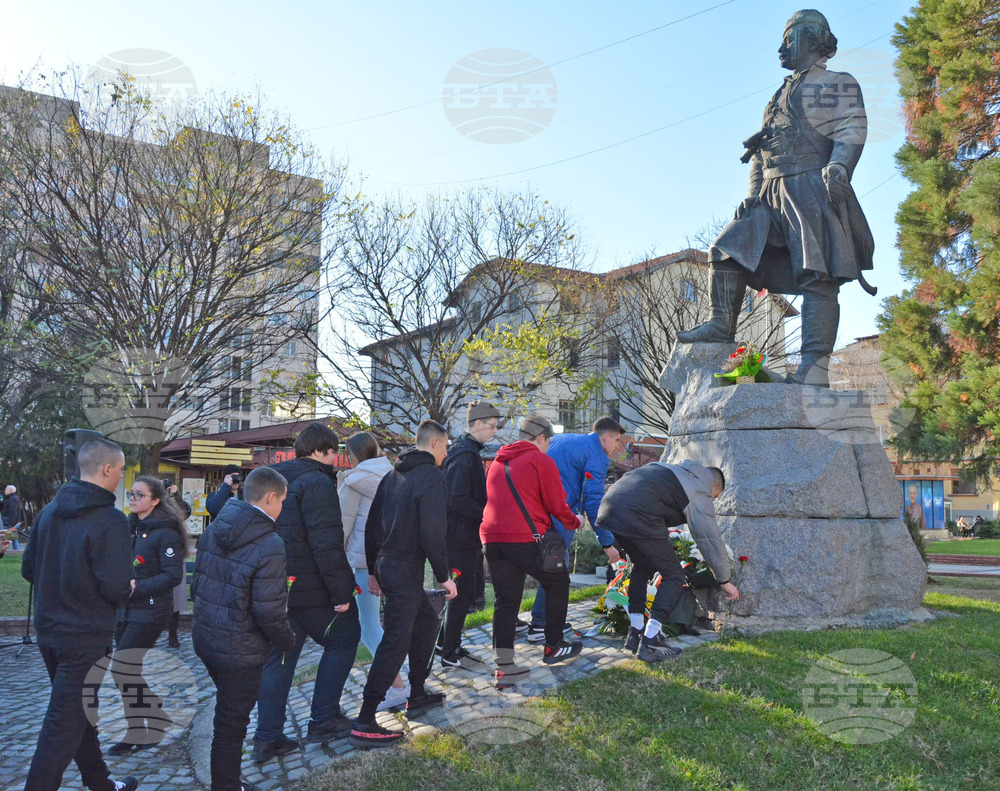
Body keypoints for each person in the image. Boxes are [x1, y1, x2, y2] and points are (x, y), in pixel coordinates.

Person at [676, 10, 873, 388]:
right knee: (727, 248)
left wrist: (839, 166)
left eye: (789, 38)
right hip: (770, 193)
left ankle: (813, 371)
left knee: (818, 275)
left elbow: (851, 127)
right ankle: (721, 324)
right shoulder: (777, 95)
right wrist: (752, 196)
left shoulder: (837, 83)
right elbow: (761, 152)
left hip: (812, 187)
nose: (782, 47)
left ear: (813, 39)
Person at [21, 438, 139, 791]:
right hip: (85, 637)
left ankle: (100, 783)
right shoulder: (111, 520)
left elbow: (29, 568)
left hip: (50, 632)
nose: (122, 478)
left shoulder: (48, 511)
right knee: (62, 724)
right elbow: (116, 588)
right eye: (120, 471)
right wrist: (128, 588)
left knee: (78, 713)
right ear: (106, 469)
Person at [252, 423, 360, 763]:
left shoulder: (274, 478)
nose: (335, 459)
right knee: (345, 637)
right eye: (334, 452)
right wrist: (341, 591)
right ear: (324, 451)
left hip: (276, 585)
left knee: (280, 658)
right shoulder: (316, 481)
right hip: (310, 588)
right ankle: (324, 718)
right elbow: (326, 542)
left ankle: (267, 738)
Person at [349, 420, 458, 749]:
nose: (447, 451)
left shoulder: (392, 476)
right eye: (446, 445)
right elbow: (433, 534)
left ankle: (417, 693)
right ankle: (365, 720)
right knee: (395, 641)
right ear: (436, 444)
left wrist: (372, 569)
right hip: (403, 568)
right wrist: (444, 577)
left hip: (385, 564)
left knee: (426, 620)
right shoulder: (433, 478)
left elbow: (371, 525)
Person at [191, 466, 296, 791]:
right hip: (241, 651)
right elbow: (269, 609)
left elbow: (197, 585)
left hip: (207, 639)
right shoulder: (270, 542)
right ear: (270, 497)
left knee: (227, 715)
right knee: (231, 725)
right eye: (282, 502)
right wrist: (287, 640)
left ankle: (228, 780)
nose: (282, 509)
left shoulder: (216, 525)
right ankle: (226, 784)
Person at [595, 460, 740, 662]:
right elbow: (709, 538)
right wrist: (724, 579)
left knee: (642, 566)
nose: (712, 501)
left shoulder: (671, 470)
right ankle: (651, 640)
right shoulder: (699, 489)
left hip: (611, 507)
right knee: (674, 575)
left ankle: (635, 633)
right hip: (638, 513)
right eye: (715, 497)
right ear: (714, 486)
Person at [481, 414, 584, 689]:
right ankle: (553, 645)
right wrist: (576, 521)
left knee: (506, 601)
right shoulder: (540, 460)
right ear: (542, 438)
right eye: (549, 442)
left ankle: (504, 667)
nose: (548, 447)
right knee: (558, 582)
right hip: (525, 538)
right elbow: (557, 504)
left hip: (492, 539)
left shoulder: (496, 463)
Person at [107, 476, 189, 754]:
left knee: (122, 668)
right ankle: (145, 724)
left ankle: (145, 725)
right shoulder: (130, 527)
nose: (132, 498)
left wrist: (137, 588)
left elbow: (173, 575)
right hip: (126, 609)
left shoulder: (165, 532)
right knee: (127, 670)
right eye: (131, 493)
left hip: (152, 609)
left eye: (139, 495)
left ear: (155, 500)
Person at [527, 416, 625, 643]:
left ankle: (530, 620)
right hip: (559, 514)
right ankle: (541, 624)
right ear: (606, 436)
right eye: (617, 440)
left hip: (533, 511)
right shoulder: (597, 455)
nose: (618, 446)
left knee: (541, 566)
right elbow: (593, 501)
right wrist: (607, 543)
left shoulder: (563, 439)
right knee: (556, 569)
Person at [336, 430, 407, 709]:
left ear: (351, 456)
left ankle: (397, 686)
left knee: (369, 626)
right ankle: (403, 681)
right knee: (386, 623)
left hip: (363, 562)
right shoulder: (393, 476)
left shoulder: (353, 482)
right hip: (394, 559)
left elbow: (343, 526)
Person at [438, 400, 501, 670]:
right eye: (492, 426)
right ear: (477, 424)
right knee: (463, 593)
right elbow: (456, 498)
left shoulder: (467, 451)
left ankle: (444, 642)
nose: (495, 432)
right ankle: (449, 651)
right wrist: (485, 513)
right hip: (459, 537)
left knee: (471, 590)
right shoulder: (464, 454)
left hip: (464, 536)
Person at [166, 483, 192, 649]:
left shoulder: (178, 515)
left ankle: (173, 635)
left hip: (175, 555)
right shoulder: (154, 508)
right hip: (157, 556)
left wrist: (176, 495)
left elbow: (184, 511)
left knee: (175, 599)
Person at [3, 484, 22, 550]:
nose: (5, 491)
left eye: (6, 489)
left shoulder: (13, 499)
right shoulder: (12, 498)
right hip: (11, 522)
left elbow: (14, 512)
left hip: (9, 522)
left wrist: (11, 523)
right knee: (13, 538)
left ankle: (9, 551)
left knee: (5, 538)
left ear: (10, 490)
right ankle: (15, 551)